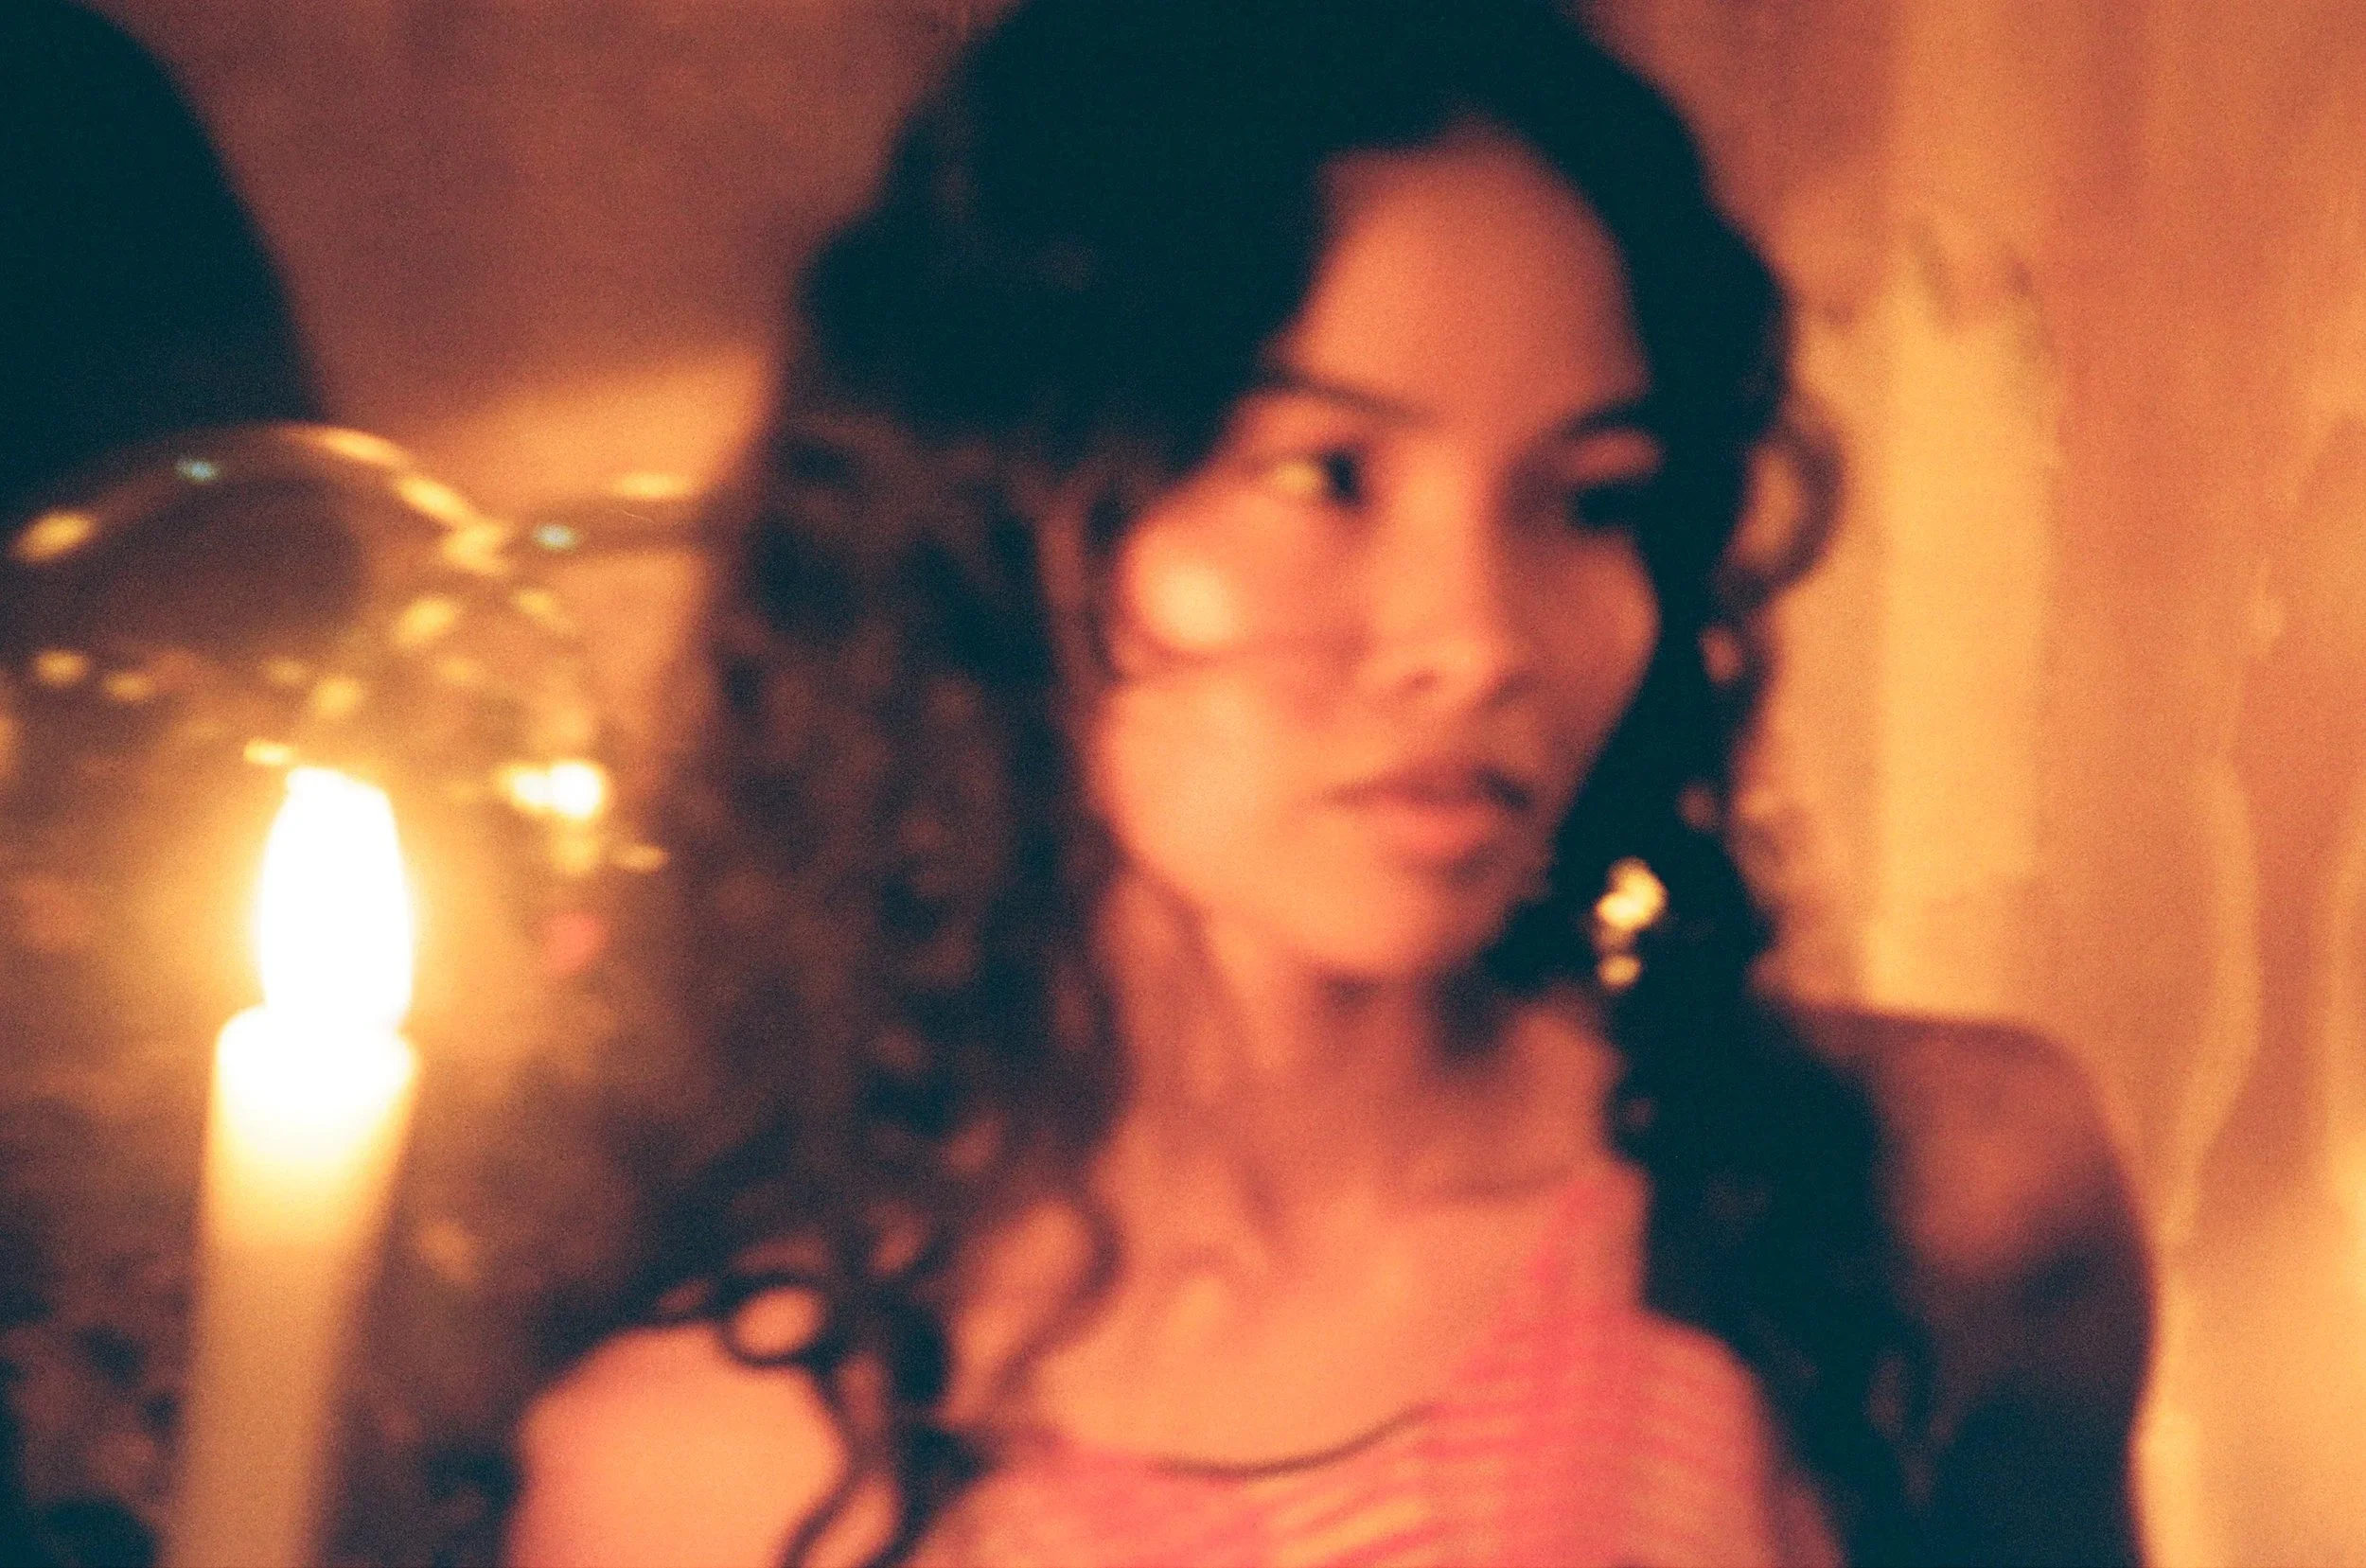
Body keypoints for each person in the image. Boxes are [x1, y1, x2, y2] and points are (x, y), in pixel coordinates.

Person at [507, 1, 2150, 1563]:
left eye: (1593, 498)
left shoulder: (1925, 1212)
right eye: (1325, 476)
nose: (1480, 639)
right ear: (998, 515)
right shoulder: (722, 1471)